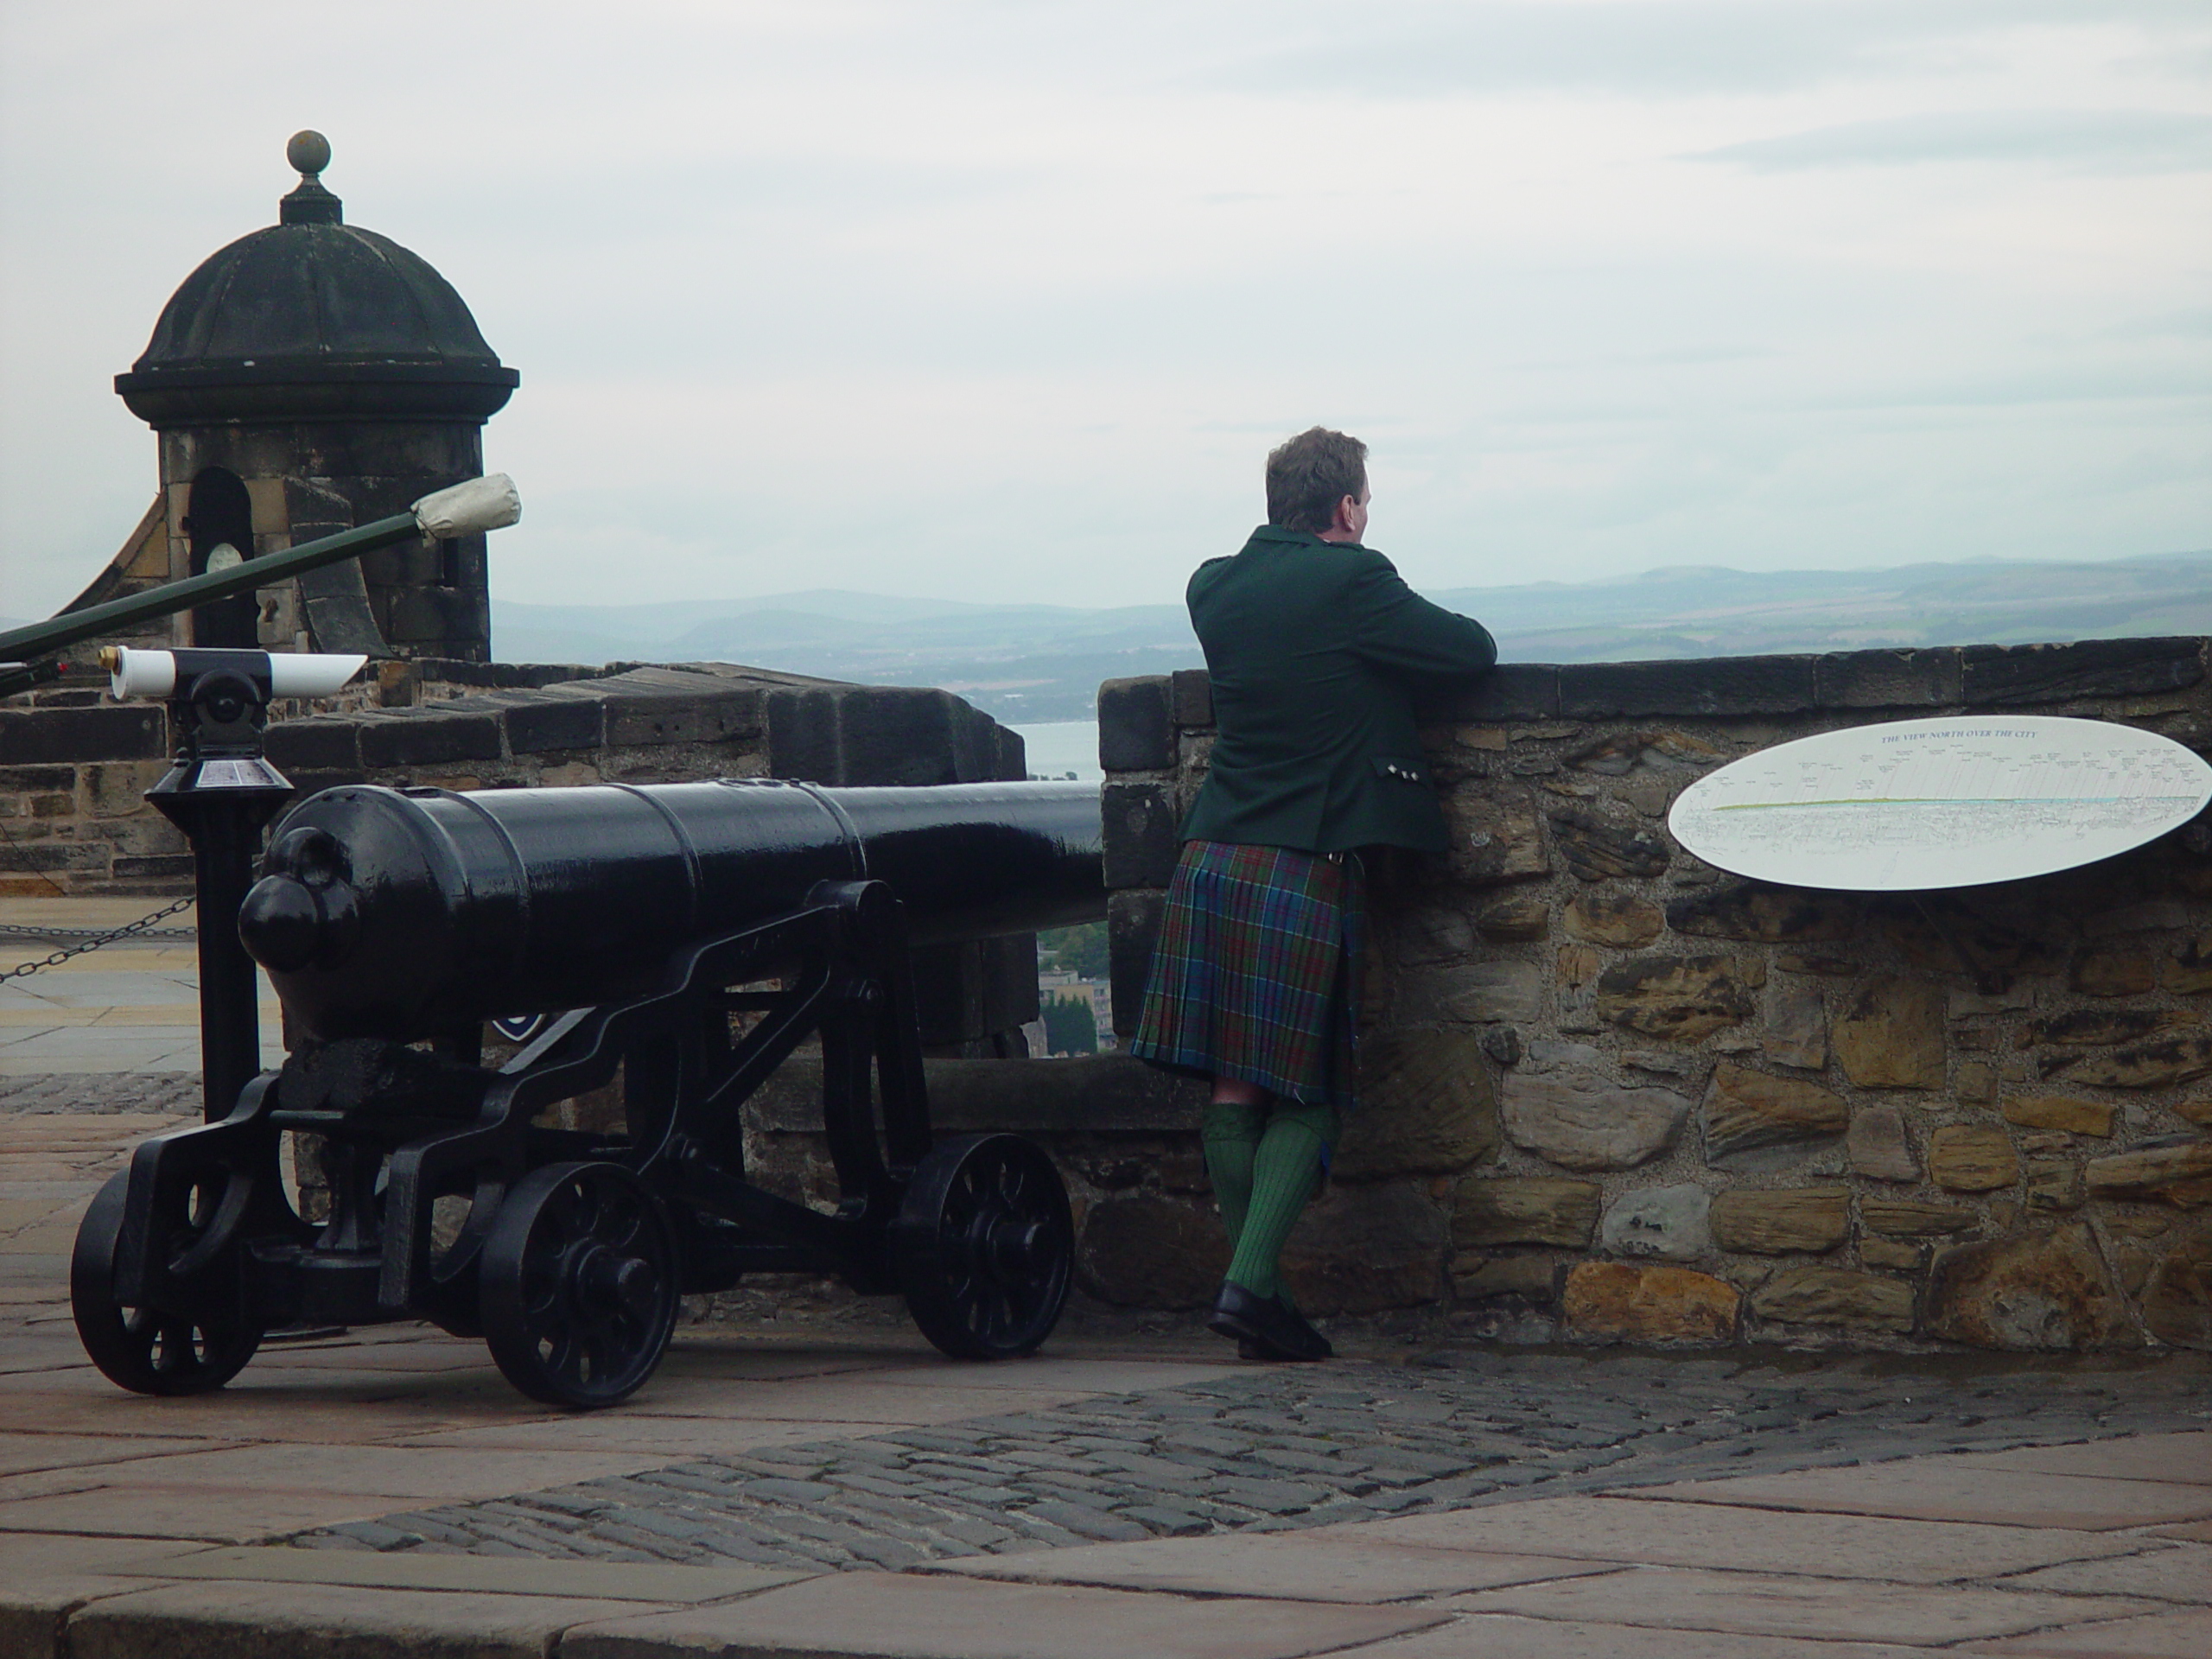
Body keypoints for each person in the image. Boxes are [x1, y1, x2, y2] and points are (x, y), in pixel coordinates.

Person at [1128, 427, 1497, 1362]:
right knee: (1308, 1093)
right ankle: (1252, 1288)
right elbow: (1468, 652)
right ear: (1345, 507)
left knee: (1234, 1085)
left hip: (1212, 857)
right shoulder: (1353, 579)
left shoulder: (1212, 585)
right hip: (1303, 860)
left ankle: (1266, 1304)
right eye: (1363, 505)